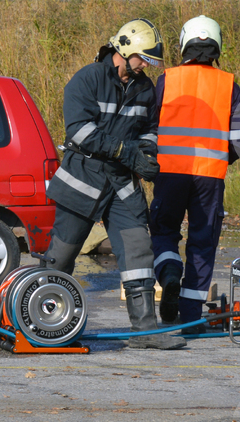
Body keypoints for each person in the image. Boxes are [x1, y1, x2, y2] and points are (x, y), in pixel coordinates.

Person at [44, 19, 186, 350]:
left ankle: (146, 330)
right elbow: (78, 131)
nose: (147, 65)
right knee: (61, 257)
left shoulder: (145, 89)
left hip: (121, 183)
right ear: (124, 50)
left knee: (138, 249)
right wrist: (125, 151)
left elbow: (151, 130)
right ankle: (47, 322)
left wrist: (145, 155)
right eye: (143, 58)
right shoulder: (88, 79)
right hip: (83, 177)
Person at [150, 15, 240, 333]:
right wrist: (221, 159)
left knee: (164, 231)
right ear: (217, 44)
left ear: (184, 44)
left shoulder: (166, 79)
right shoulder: (229, 84)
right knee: (202, 243)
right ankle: (191, 318)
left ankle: (168, 275)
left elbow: (150, 126)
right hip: (210, 177)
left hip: (169, 173)